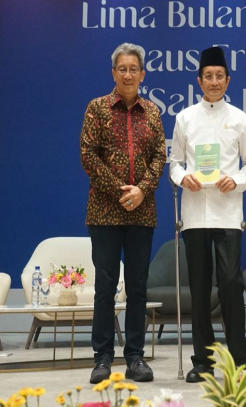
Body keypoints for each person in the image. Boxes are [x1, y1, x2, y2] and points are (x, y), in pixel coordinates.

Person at [168, 46, 246, 383]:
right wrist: (182, 177)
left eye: (220, 76)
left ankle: (237, 360)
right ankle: (203, 362)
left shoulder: (240, 119)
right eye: (209, 76)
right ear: (199, 80)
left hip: (228, 215)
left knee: (232, 285)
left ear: (228, 80)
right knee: (200, 288)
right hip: (193, 215)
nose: (214, 81)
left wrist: (235, 180)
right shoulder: (184, 118)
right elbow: (175, 163)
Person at [81, 42, 166, 384]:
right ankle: (102, 357)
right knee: (105, 287)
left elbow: (160, 156)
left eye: (134, 69)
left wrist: (142, 189)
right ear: (113, 73)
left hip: (141, 213)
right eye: (122, 69)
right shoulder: (97, 109)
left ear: (142, 74)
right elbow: (88, 155)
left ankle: (135, 357)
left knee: (138, 287)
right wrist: (121, 191)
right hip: (104, 212)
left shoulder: (153, 113)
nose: (128, 74)